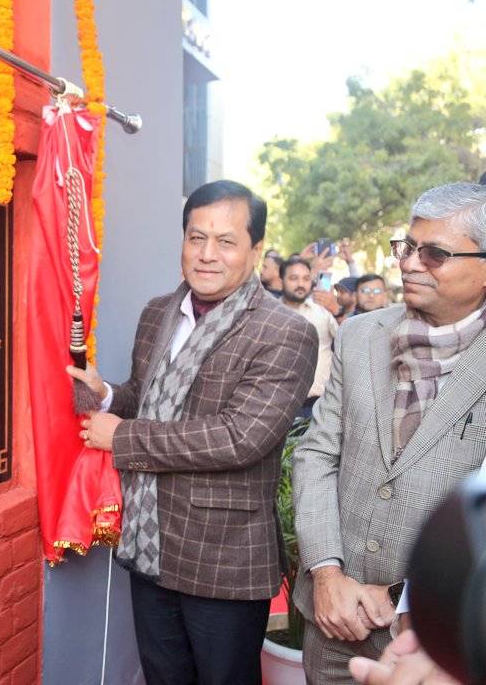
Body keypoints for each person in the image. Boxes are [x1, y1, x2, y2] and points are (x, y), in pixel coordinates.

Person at [67, 179, 318, 684]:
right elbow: (147, 394)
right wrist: (109, 395)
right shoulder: (159, 311)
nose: (207, 254)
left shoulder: (285, 332)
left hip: (222, 558)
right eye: (195, 237)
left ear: (255, 249)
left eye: (226, 241)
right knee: (164, 677)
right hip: (149, 543)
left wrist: (123, 438)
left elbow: (240, 437)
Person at [293, 182, 486, 683]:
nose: (410, 263)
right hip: (332, 616)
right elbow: (317, 455)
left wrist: (403, 592)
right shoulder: (360, 336)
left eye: (435, 254)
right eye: (408, 247)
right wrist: (327, 573)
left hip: (437, 637)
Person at [280, 255, 338, 417]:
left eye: (306, 279)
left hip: (320, 403)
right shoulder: (270, 314)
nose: (300, 284)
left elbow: (346, 342)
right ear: (281, 280)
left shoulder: (323, 311)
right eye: (293, 278)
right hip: (280, 402)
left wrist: (336, 310)